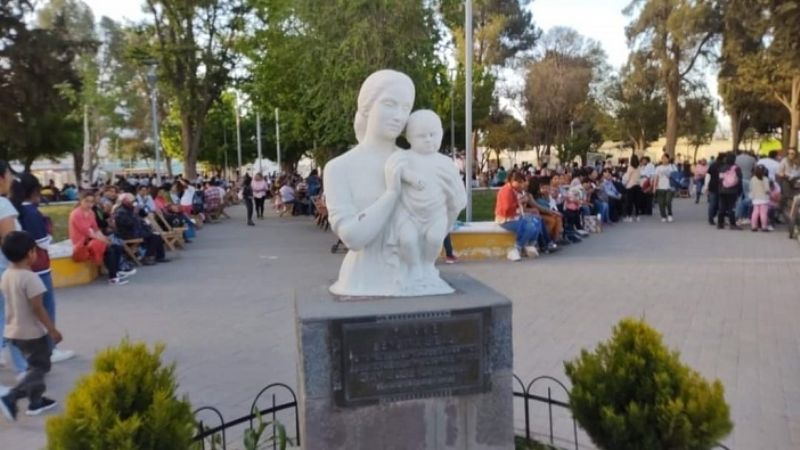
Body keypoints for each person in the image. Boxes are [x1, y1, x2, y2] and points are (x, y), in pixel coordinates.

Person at [324, 69, 416, 296]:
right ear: (367, 106)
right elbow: (352, 237)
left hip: (413, 277)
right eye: (390, 104)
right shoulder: (339, 168)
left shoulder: (414, 163)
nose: (399, 116)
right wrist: (391, 194)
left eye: (406, 108)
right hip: (363, 279)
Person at [385, 109, 466, 288]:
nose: (429, 139)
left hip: (436, 212)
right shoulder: (403, 157)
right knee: (408, 240)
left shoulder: (445, 162)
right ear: (409, 138)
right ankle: (414, 267)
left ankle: (428, 265)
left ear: (441, 134)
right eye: (422, 136)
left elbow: (457, 190)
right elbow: (393, 170)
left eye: (433, 134)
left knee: (435, 239)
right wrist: (409, 177)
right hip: (408, 211)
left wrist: (456, 196)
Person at [0, 231, 63, 421]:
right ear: (30, 253)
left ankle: (36, 402)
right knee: (40, 367)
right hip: (31, 333)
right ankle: (12, 396)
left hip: (12, 331)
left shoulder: (7, 274)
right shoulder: (31, 279)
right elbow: (38, 308)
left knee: (33, 366)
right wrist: (52, 330)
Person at [11, 174, 74, 363]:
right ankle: (50, 348)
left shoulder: (16, 210)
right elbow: (43, 242)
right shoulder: (32, 212)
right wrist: (48, 231)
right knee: (46, 308)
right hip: (39, 267)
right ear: (34, 191)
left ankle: (26, 353)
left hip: (21, 266)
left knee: (25, 312)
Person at [68, 192, 134, 285]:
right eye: (86, 201)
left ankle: (115, 271)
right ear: (81, 201)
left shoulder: (91, 212)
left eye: (91, 202)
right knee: (110, 249)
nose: (89, 204)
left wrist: (104, 238)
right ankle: (113, 278)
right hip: (82, 242)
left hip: (91, 239)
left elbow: (96, 229)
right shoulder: (76, 214)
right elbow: (87, 232)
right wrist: (105, 241)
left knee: (117, 246)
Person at [0, 161, 27, 383]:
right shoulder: (3, 205)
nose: (11, 179)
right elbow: (10, 242)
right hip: (6, 269)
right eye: (9, 174)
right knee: (14, 317)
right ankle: (22, 368)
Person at [495, 172, 540, 261]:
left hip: (516, 217)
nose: (521, 184)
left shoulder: (515, 190)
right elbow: (507, 209)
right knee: (530, 226)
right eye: (519, 182)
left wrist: (522, 202)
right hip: (506, 220)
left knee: (537, 220)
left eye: (522, 182)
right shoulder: (506, 191)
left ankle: (530, 245)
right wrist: (519, 202)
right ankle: (516, 249)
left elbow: (519, 208)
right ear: (511, 181)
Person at [113, 193, 169, 266]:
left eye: (133, 201)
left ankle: (160, 257)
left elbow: (144, 214)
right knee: (154, 237)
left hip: (137, 231)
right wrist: (135, 213)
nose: (133, 202)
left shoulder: (131, 208)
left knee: (157, 235)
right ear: (124, 201)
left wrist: (140, 209)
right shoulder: (120, 211)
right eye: (131, 201)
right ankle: (147, 257)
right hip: (128, 233)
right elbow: (129, 224)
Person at [717, 153, 742, 230]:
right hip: (733, 190)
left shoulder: (722, 167)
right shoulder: (737, 168)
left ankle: (720, 223)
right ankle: (732, 224)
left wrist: (721, 187)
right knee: (732, 207)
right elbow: (740, 179)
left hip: (722, 190)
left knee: (722, 207)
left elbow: (720, 180)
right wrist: (739, 190)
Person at [653, 154, 675, 223]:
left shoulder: (672, 167)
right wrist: (654, 187)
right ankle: (663, 216)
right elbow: (656, 178)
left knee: (668, 201)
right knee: (661, 203)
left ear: (668, 159)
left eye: (665, 158)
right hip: (660, 187)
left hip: (669, 187)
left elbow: (675, 176)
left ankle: (670, 214)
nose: (664, 159)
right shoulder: (658, 168)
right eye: (663, 158)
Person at [750, 165, 773, 232]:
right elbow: (767, 190)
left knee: (755, 212)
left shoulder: (753, 179)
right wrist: (770, 194)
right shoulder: (765, 179)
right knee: (763, 213)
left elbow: (751, 188)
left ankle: (753, 226)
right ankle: (764, 227)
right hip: (763, 199)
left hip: (755, 198)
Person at [623, 155, 643, 222]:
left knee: (629, 202)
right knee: (637, 202)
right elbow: (639, 176)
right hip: (637, 185)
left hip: (630, 186)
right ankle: (637, 216)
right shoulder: (639, 168)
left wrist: (625, 184)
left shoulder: (630, 168)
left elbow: (627, 177)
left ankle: (629, 217)